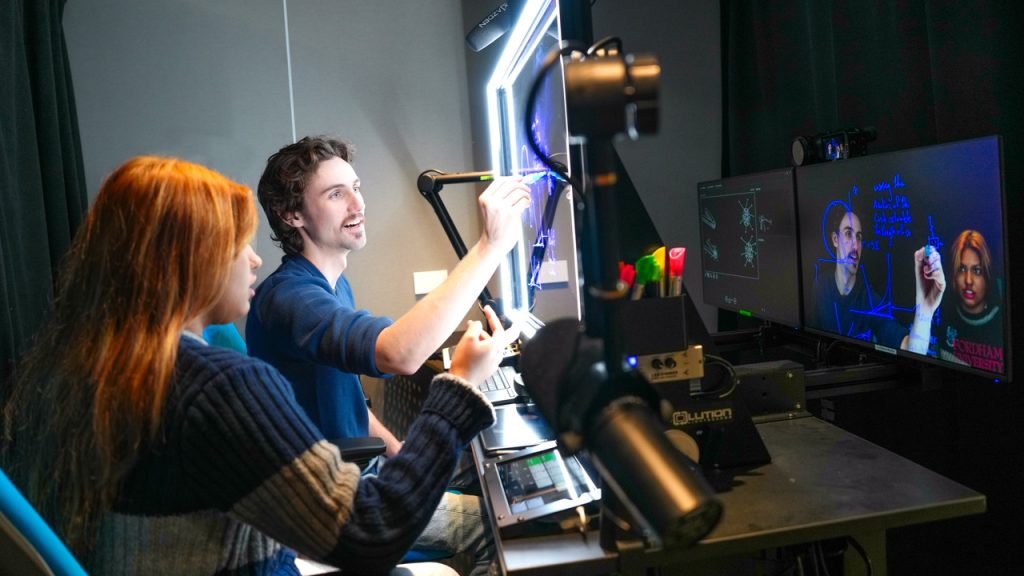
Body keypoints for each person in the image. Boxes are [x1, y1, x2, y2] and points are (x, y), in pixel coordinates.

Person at [1, 156, 506, 576]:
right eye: (236, 244)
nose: (254, 260)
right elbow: (371, 533)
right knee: (501, 525)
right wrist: (459, 385)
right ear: (188, 261)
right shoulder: (218, 385)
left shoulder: (82, 371)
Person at [245, 137, 529, 573]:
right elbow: (401, 352)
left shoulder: (332, 285)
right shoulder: (291, 299)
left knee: (494, 478)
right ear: (292, 215)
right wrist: (489, 246)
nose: (357, 203)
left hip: (362, 468)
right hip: (334, 505)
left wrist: (402, 452)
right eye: (335, 194)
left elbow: (351, 402)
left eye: (355, 186)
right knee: (501, 522)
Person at [809, 207, 944, 354]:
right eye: (848, 234)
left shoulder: (871, 301)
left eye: (859, 237)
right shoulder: (820, 286)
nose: (855, 245)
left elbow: (911, 349)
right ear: (835, 239)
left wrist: (924, 311)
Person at [938, 229, 1004, 373]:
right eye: (962, 269)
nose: (968, 280)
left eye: (977, 271)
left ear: (987, 276)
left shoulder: (1003, 313)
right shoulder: (945, 308)